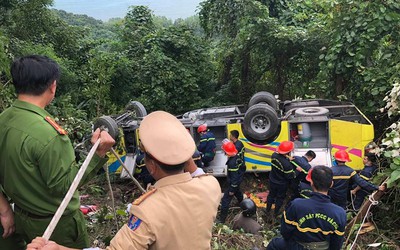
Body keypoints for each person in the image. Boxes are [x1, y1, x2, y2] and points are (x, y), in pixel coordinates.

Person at [27, 110, 221, 250]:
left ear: (151, 166)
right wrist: (178, 148)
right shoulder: (210, 186)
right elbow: (197, 173)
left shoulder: (148, 211)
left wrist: (59, 249)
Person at [0, 55, 115, 248]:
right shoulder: (50, 135)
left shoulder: (3, 120)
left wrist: (4, 210)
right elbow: (65, 187)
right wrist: (98, 154)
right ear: (52, 86)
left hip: (20, 215)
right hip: (55, 225)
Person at [267, 165, 347, 250]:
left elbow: (285, 231)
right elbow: (337, 243)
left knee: (274, 243)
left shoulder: (296, 205)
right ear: (331, 184)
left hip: (298, 246)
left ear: (311, 182)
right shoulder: (340, 213)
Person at [265, 141, 302, 217]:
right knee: (280, 197)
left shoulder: (274, 155)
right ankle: (276, 213)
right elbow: (290, 176)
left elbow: (281, 157)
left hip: (272, 179)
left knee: (271, 195)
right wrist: (297, 171)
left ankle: (267, 210)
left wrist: (288, 158)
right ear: (289, 151)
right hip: (281, 183)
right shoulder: (287, 165)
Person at [218, 139, 244, 223]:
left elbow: (234, 177)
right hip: (237, 182)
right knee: (239, 193)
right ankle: (244, 206)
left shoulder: (232, 163)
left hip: (233, 184)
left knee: (225, 201)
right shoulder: (236, 156)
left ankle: (222, 220)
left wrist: (232, 189)